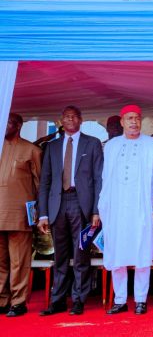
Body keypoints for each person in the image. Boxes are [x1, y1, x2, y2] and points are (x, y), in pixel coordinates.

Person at [37, 106, 103, 316]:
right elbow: (45, 181)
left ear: (81, 120)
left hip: (81, 203)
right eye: (67, 117)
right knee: (60, 255)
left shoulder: (92, 143)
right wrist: (43, 213)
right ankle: (57, 300)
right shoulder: (52, 146)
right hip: (57, 204)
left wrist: (96, 210)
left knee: (81, 253)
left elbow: (99, 179)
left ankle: (78, 300)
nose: (71, 119)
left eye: (74, 116)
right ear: (61, 120)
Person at [99, 104, 153, 315]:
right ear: (122, 122)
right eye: (129, 118)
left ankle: (140, 300)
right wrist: (103, 207)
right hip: (116, 208)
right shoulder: (111, 146)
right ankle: (119, 300)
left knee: (141, 252)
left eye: (137, 118)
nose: (134, 122)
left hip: (140, 206)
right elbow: (105, 179)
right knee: (117, 252)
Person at [0, 113, 41, 317]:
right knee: (0, 262)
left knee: (19, 261)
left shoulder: (32, 150)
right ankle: (2, 300)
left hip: (20, 215)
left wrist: (40, 215)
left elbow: (40, 184)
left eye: (8, 122)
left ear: (18, 126)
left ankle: (18, 302)